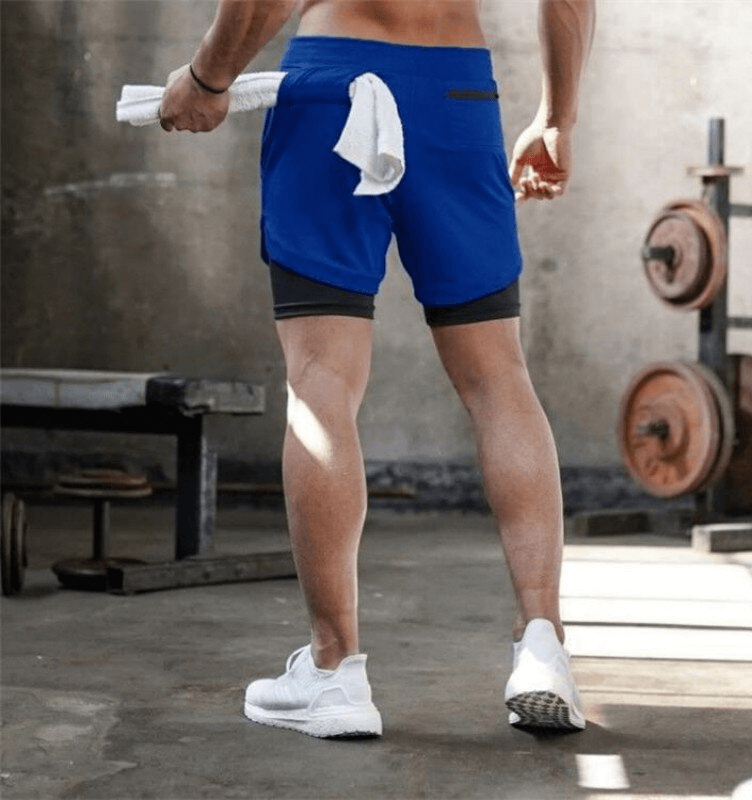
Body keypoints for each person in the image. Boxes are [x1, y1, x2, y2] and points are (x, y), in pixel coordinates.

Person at [160, 0, 595, 739]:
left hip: (335, 85)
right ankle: (543, 644)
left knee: (322, 382)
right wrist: (559, 112)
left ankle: (334, 674)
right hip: (457, 91)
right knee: (497, 378)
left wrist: (208, 75)